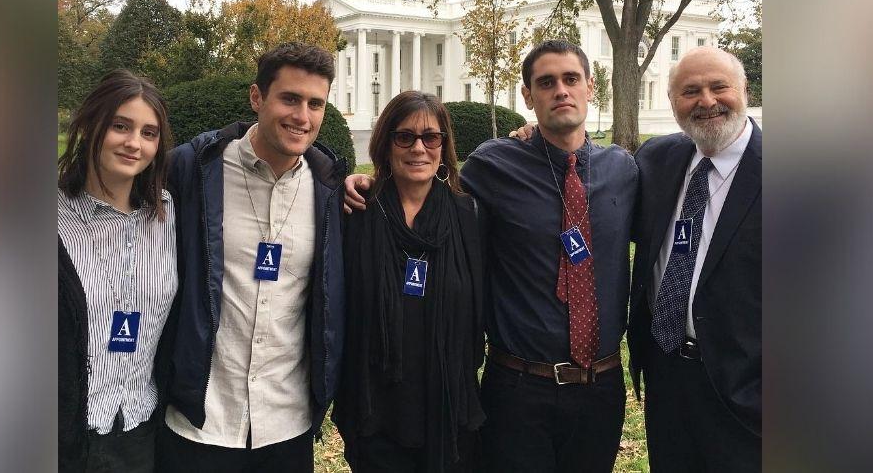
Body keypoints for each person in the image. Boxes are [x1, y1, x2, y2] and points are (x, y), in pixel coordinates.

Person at [346, 40, 638, 472]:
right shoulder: (493, 165)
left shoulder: (626, 170)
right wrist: (366, 183)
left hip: (601, 385)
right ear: (527, 96)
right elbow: (425, 188)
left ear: (591, 87)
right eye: (546, 82)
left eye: (571, 79)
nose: (561, 91)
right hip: (520, 387)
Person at [155, 42, 346, 473]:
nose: (303, 116)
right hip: (199, 420)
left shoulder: (329, 188)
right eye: (290, 99)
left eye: (315, 104)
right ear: (257, 97)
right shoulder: (192, 170)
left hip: (286, 426)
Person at [332, 91, 485, 472]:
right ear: (386, 143)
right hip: (376, 414)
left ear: (443, 145)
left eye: (431, 137)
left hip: (449, 406)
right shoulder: (356, 212)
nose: (419, 148)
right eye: (405, 137)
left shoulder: (468, 215)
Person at [628, 46, 761, 472]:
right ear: (672, 103)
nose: (706, 101)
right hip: (668, 380)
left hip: (747, 390)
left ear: (744, 90)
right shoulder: (656, 161)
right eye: (690, 91)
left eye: (718, 86)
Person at [58, 69, 179, 472]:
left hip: (140, 427)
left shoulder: (167, 214)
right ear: (91, 124)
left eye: (149, 133)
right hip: (67, 433)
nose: (134, 143)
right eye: (120, 126)